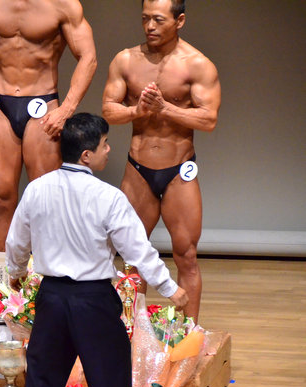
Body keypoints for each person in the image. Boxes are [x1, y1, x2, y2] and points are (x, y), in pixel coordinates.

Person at [0, 113, 188, 387]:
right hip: (94, 302)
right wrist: (169, 287)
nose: (109, 150)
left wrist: (16, 273)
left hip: (51, 299)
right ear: (86, 154)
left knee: (41, 386)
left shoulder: (37, 189)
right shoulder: (108, 197)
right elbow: (138, 251)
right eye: (104, 144)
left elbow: (17, 241)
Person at [102, 0, 220, 322]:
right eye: (145, 19)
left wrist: (166, 108)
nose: (150, 26)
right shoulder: (126, 60)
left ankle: (189, 333)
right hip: (138, 170)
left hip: (178, 172)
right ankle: (134, 332)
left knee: (186, 255)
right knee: (132, 255)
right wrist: (136, 111)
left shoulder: (198, 65)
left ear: (179, 21)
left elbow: (209, 119)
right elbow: (108, 110)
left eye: (158, 19)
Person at [0, 0, 97, 251]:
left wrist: (66, 110)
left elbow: (88, 57)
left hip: (43, 102)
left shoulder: (63, 4)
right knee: (1, 199)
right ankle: (7, 274)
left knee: (45, 200)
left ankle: (43, 273)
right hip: (0, 104)